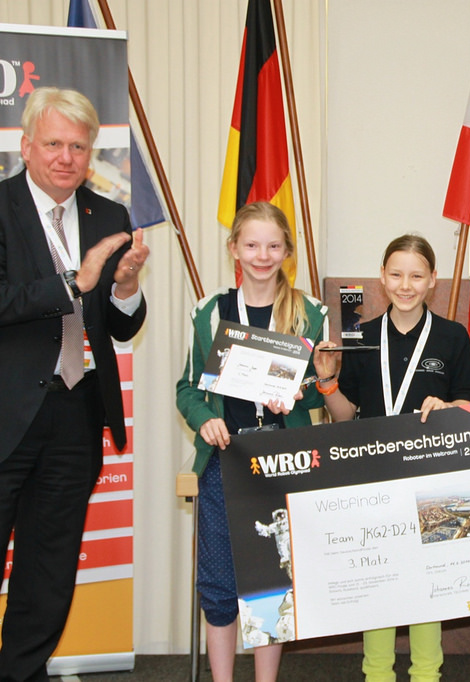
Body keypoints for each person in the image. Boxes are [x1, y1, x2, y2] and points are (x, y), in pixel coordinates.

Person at [0, 87, 148, 682]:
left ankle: (21, 673)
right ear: (26, 146)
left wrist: (125, 286)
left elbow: (120, 324)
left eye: (78, 147)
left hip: (76, 414)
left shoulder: (109, 216)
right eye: (54, 144)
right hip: (6, 413)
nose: (66, 157)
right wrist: (74, 282)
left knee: (50, 566)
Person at [176, 202, 329, 682]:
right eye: (252, 245)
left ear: (287, 252)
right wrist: (205, 419)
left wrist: (300, 394)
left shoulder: (310, 313)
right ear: (234, 249)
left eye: (273, 246)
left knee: (272, 586)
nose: (263, 255)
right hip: (226, 461)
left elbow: (318, 391)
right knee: (219, 585)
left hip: (284, 463)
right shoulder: (210, 312)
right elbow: (188, 389)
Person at [315, 234, 470, 682]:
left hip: (431, 478)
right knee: (378, 582)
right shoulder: (361, 336)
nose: (406, 285)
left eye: (416, 276)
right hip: (374, 478)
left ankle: (427, 674)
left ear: (433, 280)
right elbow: (345, 415)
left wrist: (449, 407)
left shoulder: (452, 337)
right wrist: (327, 383)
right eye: (397, 274)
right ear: (382, 278)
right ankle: (378, 675)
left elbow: (468, 405)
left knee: (427, 583)